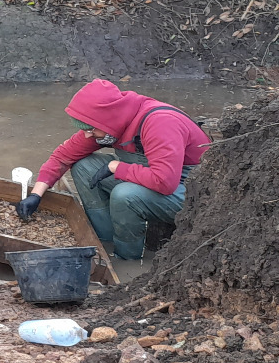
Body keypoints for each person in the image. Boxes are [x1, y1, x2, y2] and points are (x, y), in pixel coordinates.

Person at [17, 79, 209, 261]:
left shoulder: (160, 123)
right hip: (156, 178)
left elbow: (165, 182)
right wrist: (36, 195)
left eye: (91, 129)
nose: (86, 134)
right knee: (84, 167)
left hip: (193, 192)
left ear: (108, 120)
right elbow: (62, 156)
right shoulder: (107, 125)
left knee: (125, 195)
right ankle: (103, 242)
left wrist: (116, 167)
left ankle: (127, 258)